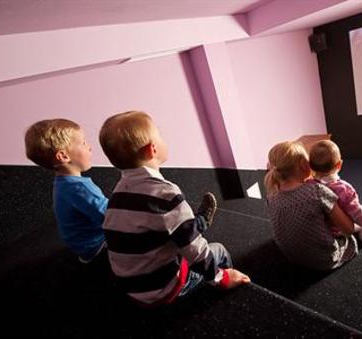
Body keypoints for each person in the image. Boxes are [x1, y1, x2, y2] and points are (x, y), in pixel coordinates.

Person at [98, 110, 250, 306]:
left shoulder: (118, 193)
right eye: (160, 135)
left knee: (176, 226)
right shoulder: (165, 195)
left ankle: (195, 223)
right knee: (217, 249)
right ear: (151, 149)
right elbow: (196, 251)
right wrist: (223, 278)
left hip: (130, 286)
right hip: (162, 290)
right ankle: (225, 288)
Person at [24, 119, 108, 264]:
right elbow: (111, 217)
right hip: (96, 246)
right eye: (83, 143)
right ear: (63, 156)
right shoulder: (80, 188)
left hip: (80, 246)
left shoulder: (62, 183)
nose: (89, 147)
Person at [264, 141, 357, 270]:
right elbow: (348, 229)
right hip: (324, 259)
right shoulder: (317, 191)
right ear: (304, 165)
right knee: (358, 228)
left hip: (291, 257)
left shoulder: (272, 195)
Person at [309, 140, 362, 246]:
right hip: (338, 232)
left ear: (310, 165)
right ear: (339, 165)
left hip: (319, 231)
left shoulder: (308, 186)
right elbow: (359, 215)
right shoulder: (344, 189)